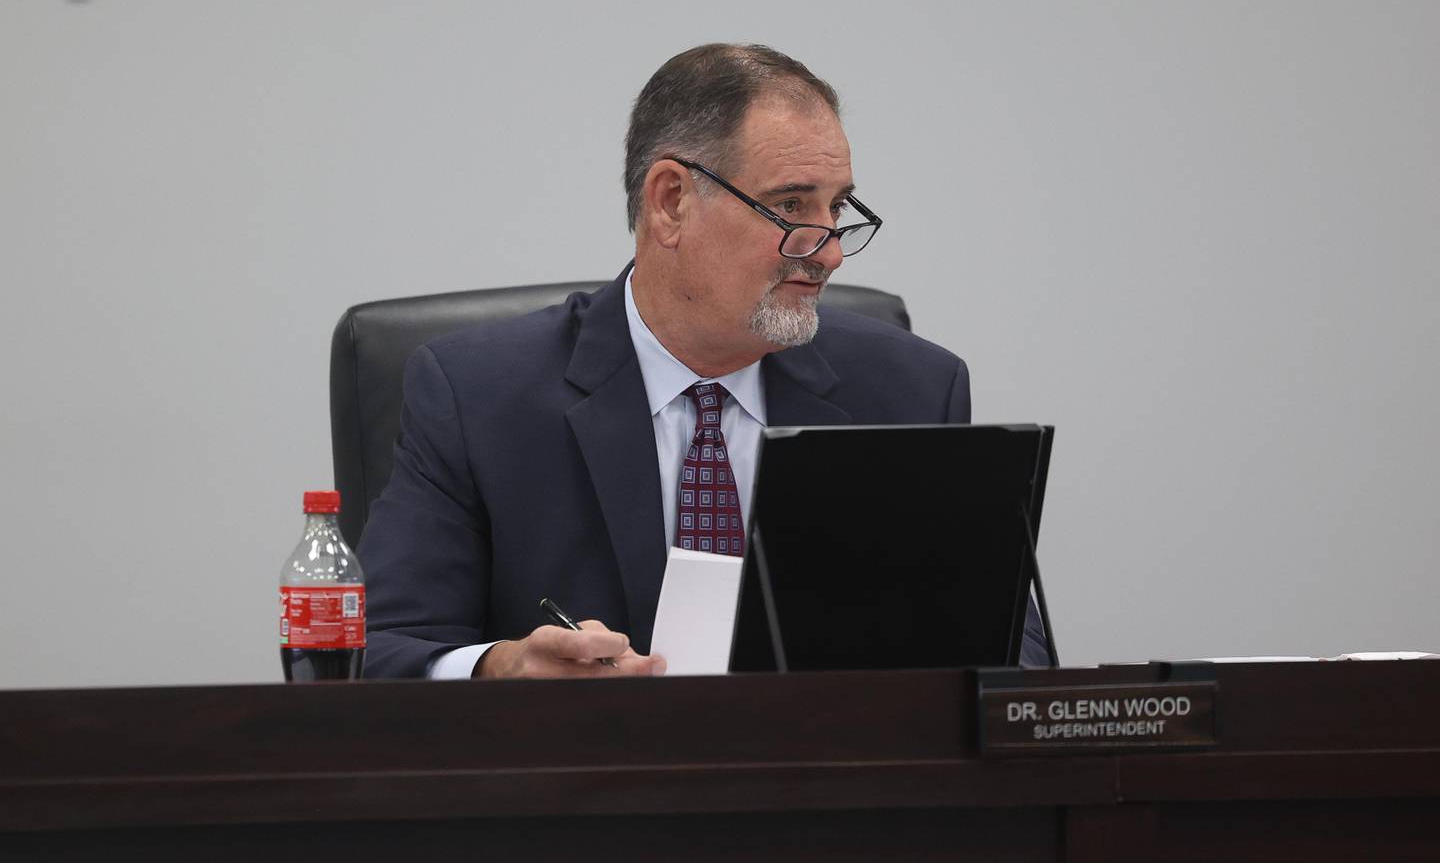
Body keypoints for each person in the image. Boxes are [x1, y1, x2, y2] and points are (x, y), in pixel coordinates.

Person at [359, 43, 1050, 680]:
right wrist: (499, 670)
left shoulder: (909, 391)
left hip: (830, 796)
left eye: (837, 208)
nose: (831, 250)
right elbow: (380, 649)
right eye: (790, 206)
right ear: (671, 201)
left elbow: (1011, 650)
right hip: (583, 798)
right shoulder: (478, 395)